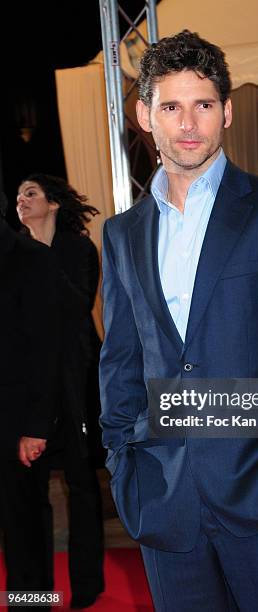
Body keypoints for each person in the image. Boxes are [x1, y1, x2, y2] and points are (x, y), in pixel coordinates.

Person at [99, 30, 258, 612]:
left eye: (204, 105)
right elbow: (122, 357)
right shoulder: (122, 234)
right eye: (171, 106)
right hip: (165, 500)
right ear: (144, 116)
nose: (189, 123)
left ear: (227, 112)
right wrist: (123, 461)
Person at [15, 174, 105, 609]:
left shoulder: (78, 249)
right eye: (17, 196)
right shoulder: (14, 254)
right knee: (28, 495)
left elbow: (75, 307)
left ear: (53, 204)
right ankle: (32, 596)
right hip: (29, 388)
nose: (21, 200)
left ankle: (87, 586)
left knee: (81, 483)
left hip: (77, 377)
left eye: (30, 193)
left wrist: (40, 256)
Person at [0, 192, 59, 608]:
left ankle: (33, 604)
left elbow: (46, 350)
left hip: (15, 424)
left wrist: (37, 426)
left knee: (24, 531)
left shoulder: (30, 258)